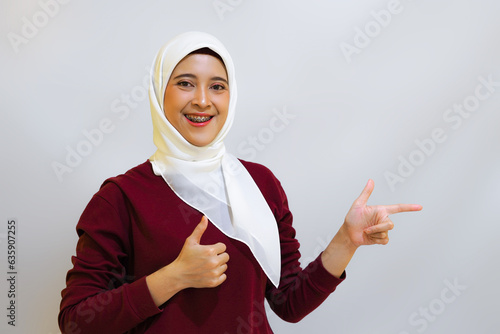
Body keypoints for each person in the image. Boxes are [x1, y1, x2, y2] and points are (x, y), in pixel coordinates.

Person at [58, 31, 422, 334]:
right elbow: (76, 320)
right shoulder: (121, 197)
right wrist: (173, 277)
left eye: (217, 86)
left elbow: (288, 303)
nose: (202, 100)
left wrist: (346, 240)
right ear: (158, 93)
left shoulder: (260, 183)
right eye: (185, 83)